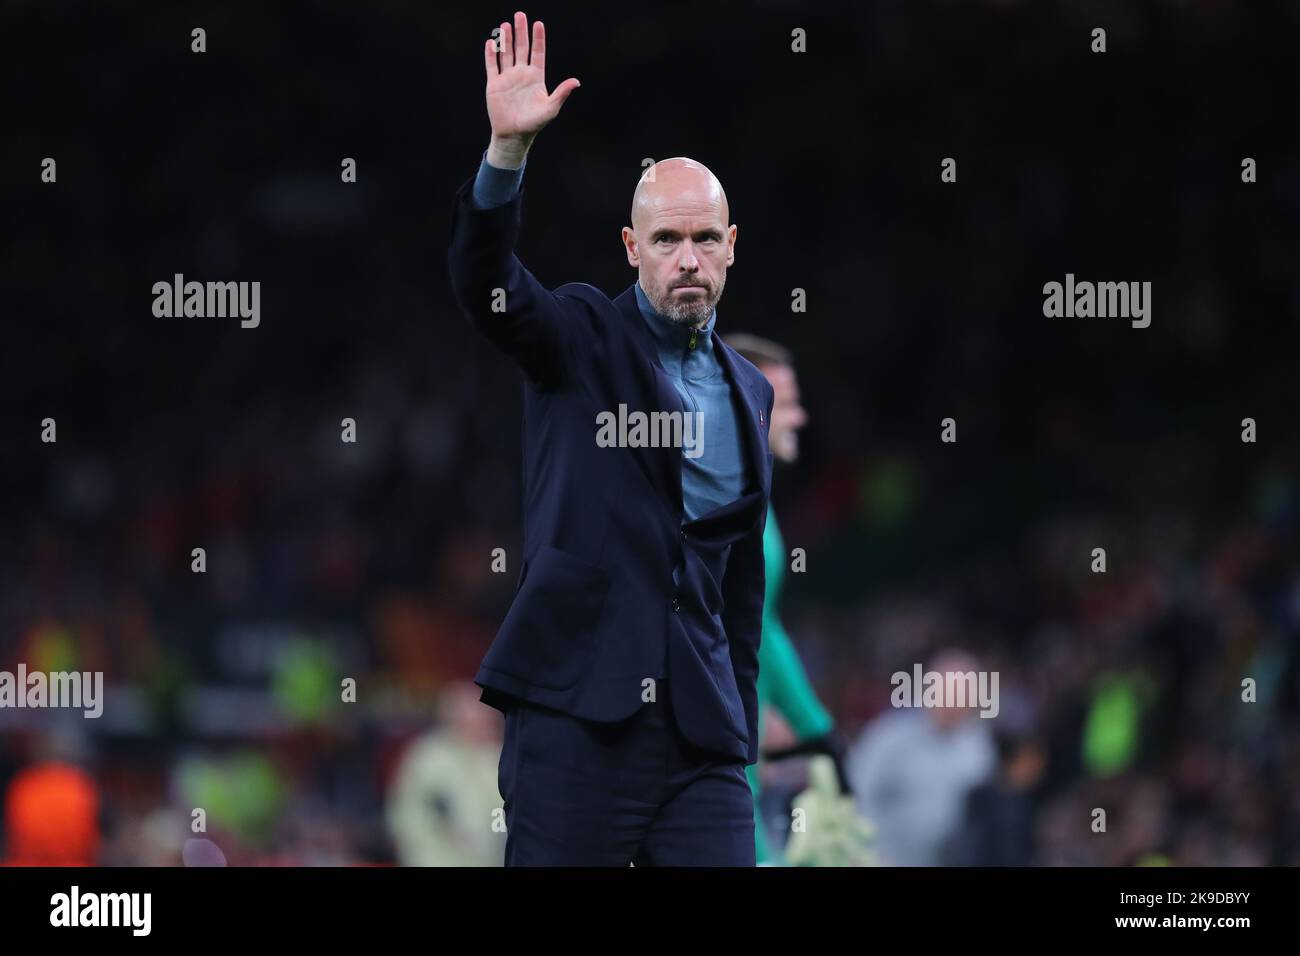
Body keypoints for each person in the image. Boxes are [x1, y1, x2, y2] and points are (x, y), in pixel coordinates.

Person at [448, 11, 774, 866]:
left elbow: (737, 590)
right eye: (667, 240)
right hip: (576, 721)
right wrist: (506, 155)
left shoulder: (751, 392)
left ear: (732, 248)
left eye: (706, 239)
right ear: (633, 249)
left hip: (699, 742)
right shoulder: (583, 339)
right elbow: (486, 284)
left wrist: (737, 733)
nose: (688, 259)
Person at [727, 334, 852, 864]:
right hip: (713, 730)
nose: (800, 417)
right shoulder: (721, 492)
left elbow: (763, 625)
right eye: (789, 402)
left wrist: (814, 728)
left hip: (735, 728)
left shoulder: (752, 492)